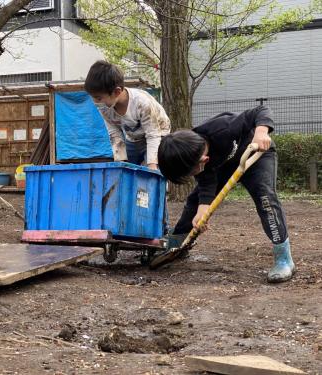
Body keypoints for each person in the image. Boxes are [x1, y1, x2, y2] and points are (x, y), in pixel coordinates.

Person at [158, 105, 295, 283]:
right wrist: (203, 211)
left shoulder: (223, 128)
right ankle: (177, 244)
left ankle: (283, 257)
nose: (192, 176)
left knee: (265, 198)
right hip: (225, 167)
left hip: (256, 156)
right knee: (194, 201)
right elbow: (206, 182)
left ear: (202, 160)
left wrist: (261, 132)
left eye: (189, 173)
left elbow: (261, 110)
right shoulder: (192, 154)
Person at [84, 60, 170, 169]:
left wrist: (152, 166)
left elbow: (153, 134)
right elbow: (114, 132)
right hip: (134, 137)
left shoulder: (142, 103)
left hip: (158, 133)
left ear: (117, 92)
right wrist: (120, 162)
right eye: (93, 97)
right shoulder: (104, 106)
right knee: (126, 169)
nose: (95, 102)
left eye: (98, 98)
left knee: (151, 169)